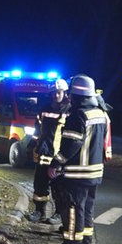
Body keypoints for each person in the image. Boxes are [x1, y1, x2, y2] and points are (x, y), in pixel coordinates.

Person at [47, 74, 109, 244]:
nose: (69, 98)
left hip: (77, 173)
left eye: (71, 94)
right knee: (87, 210)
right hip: (94, 172)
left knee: (72, 209)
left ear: (76, 95)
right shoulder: (100, 113)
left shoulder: (78, 115)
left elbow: (71, 145)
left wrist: (56, 163)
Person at [27, 78, 71, 223]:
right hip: (44, 152)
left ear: (64, 92)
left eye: (58, 92)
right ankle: (39, 211)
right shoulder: (44, 108)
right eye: (53, 93)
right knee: (39, 184)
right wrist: (32, 143)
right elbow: (37, 128)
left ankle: (59, 213)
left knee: (59, 187)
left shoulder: (69, 110)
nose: (55, 95)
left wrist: (63, 157)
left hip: (58, 155)